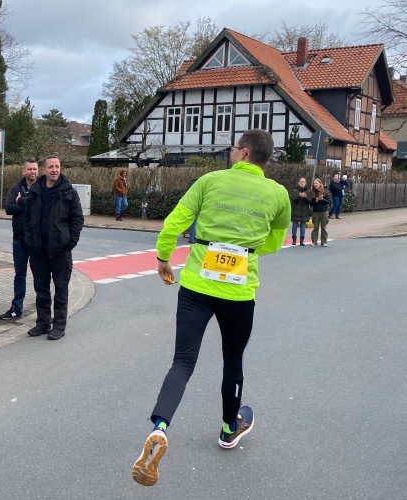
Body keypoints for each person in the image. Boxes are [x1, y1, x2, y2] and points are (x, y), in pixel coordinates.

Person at [131, 130, 291, 487]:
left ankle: (160, 427)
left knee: (183, 361)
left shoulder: (209, 181)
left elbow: (175, 220)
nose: (231, 152)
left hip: (197, 286)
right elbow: (275, 242)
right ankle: (229, 428)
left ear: (244, 152)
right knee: (233, 361)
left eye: (234, 148)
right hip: (239, 292)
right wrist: (245, 249)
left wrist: (163, 257)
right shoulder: (278, 194)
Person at [20, 155, 84, 340]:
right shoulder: (35, 191)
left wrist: (70, 242)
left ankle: (59, 326)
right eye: (51, 167)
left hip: (60, 250)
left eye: (57, 166)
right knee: (41, 288)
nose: (54, 170)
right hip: (38, 249)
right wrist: (30, 239)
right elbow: (27, 217)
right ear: (44, 170)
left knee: (61, 289)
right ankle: (43, 323)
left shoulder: (69, 192)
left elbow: (77, 219)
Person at [0, 159, 38, 320]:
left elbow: (40, 207)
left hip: (36, 240)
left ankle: (43, 311)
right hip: (19, 239)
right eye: (30, 169)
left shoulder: (41, 187)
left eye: (35, 169)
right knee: (20, 275)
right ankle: (17, 308)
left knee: (40, 276)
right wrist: (28, 205)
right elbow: (9, 208)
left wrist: (21, 202)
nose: (32, 172)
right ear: (24, 171)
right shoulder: (16, 188)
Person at [290, 177, 311, 246]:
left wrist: (305, 197)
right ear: (298, 183)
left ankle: (302, 240)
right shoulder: (295, 191)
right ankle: (294, 240)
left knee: (303, 225)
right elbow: (293, 200)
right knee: (294, 225)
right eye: (301, 181)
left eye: (304, 181)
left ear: (305, 183)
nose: (302, 183)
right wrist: (299, 196)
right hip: (296, 210)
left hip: (304, 211)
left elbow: (310, 201)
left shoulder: (308, 191)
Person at [310, 177, 330, 246]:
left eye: (316, 183)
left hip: (324, 211)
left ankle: (324, 242)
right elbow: (310, 203)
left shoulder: (325, 191)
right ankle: (314, 241)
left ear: (320, 184)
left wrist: (322, 199)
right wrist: (316, 201)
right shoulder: (312, 192)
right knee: (315, 227)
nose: (315, 184)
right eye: (314, 183)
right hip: (316, 211)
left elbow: (328, 201)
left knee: (323, 227)